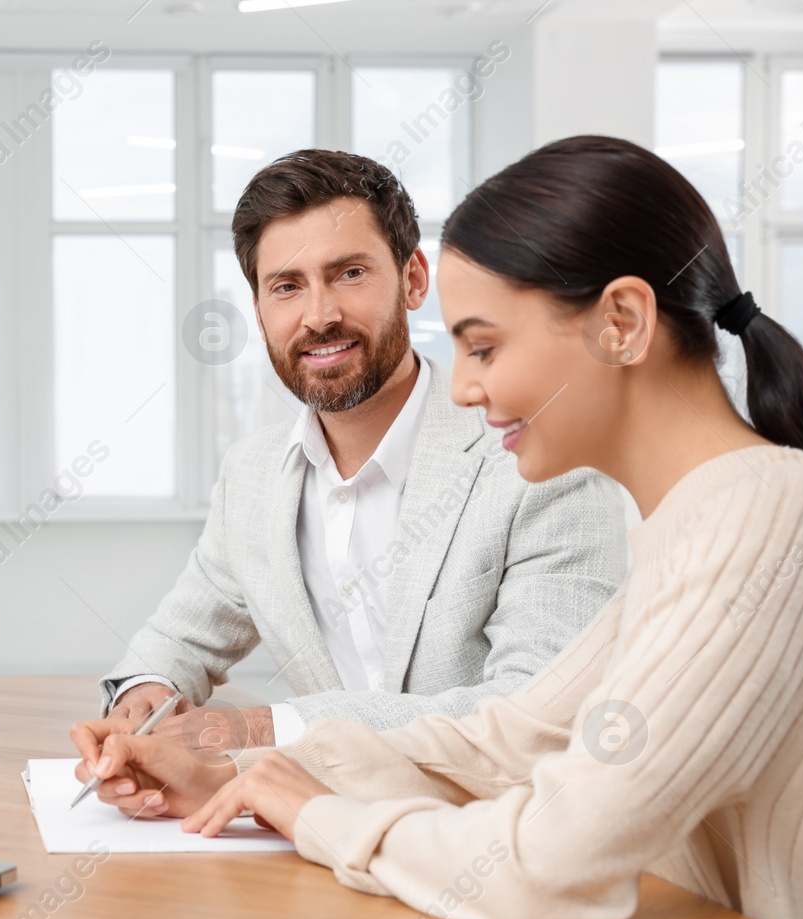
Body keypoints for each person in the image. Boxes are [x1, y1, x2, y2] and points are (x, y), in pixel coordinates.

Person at [73, 134, 803, 919]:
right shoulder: (702, 522)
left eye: (485, 346)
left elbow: (550, 864)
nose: (462, 385)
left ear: (623, 323)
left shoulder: (764, 517)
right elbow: (515, 734)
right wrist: (234, 771)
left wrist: (316, 810)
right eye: (285, 284)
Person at [102, 149, 625, 751]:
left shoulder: (544, 461)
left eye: (350, 273)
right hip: (316, 825)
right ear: (260, 310)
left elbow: (542, 711)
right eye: (287, 286)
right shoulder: (251, 476)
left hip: (495, 828)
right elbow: (179, 638)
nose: (319, 317)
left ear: (413, 279)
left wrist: (267, 728)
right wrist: (142, 697)